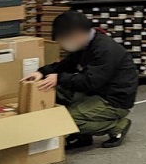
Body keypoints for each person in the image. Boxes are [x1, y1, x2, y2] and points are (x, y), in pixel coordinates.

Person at [24, 11, 137, 149]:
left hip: (114, 99)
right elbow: (67, 64)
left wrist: (59, 78)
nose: (62, 45)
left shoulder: (104, 49)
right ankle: (83, 136)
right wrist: (41, 72)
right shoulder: (85, 45)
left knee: (67, 119)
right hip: (97, 91)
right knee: (57, 92)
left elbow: (91, 81)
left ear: (77, 34)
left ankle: (117, 126)